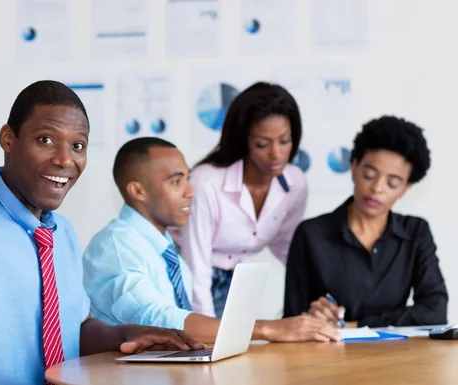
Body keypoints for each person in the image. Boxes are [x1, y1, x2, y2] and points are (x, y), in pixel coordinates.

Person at [0, 81, 204, 385]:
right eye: (45, 140)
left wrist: (126, 334)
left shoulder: (61, 233)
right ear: (8, 139)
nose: (65, 159)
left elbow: (71, 330)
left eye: (77, 145)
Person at [82, 137, 339, 344]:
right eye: (176, 181)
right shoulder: (116, 247)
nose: (190, 191)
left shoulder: (163, 247)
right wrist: (268, 329)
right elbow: (159, 321)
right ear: (138, 191)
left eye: (187, 178)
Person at [283, 116, 448, 327]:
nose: (377, 188)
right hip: (328, 357)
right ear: (354, 167)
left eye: (392, 182)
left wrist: (356, 325)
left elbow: (435, 310)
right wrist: (314, 318)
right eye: (370, 174)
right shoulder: (311, 234)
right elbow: (291, 320)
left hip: (399, 358)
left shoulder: (416, 231)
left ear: (406, 187)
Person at [177, 82, 307, 318]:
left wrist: (318, 291)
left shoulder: (295, 183)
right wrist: (203, 331)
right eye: (262, 144)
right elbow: (195, 265)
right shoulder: (206, 183)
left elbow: (286, 245)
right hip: (185, 274)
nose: (276, 154)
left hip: (233, 278)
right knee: (206, 348)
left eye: (284, 141)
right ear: (244, 139)